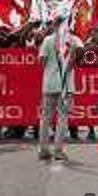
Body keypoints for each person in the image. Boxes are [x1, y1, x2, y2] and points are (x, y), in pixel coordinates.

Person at [37, 16, 83, 161]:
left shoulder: (48, 40)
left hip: (50, 83)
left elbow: (42, 61)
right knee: (62, 118)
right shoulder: (73, 40)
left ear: (55, 25)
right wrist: (72, 57)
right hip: (65, 85)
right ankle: (58, 150)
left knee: (46, 118)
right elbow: (82, 51)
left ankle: (43, 149)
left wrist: (52, 67)